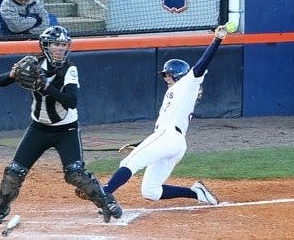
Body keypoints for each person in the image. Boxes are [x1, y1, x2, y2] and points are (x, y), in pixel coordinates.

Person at [0, 25, 122, 224]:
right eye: (56, 44)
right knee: (14, 171)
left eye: (63, 44)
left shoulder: (69, 69)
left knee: (75, 173)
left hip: (66, 129)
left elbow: (71, 101)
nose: (60, 48)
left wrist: (45, 87)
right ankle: (0, 208)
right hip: (39, 128)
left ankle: (106, 201)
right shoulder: (34, 64)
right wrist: (12, 75)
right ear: (45, 46)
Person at [76, 25, 230, 205]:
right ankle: (196, 193)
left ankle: (104, 191)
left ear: (179, 76)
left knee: (129, 163)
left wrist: (217, 40)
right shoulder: (174, 95)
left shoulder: (187, 83)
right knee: (150, 191)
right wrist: (141, 144)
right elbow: (162, 131)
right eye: (165, 75)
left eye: (169, 75)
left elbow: (202, 64)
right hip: (173, 142)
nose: (166, 78)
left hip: (170, 137)